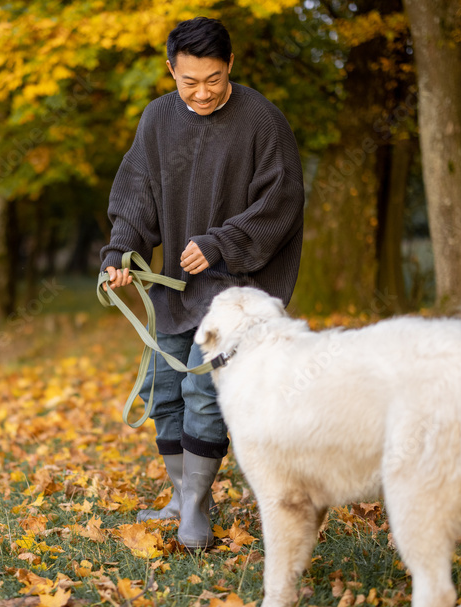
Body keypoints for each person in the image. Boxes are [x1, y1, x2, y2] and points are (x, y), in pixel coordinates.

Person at [99, 16, 305, 549]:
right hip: (174, 283)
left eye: (212, 78)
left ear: (230, 65)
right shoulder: (157, 119)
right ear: (171, 70)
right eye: (188, 81)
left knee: (201, 389)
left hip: (237, 286)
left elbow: (280, 204)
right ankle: (180, 496)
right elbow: (136, 196)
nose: (202, 91)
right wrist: (122, 253)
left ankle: (195, 508)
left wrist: (219, 242)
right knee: (162, 387)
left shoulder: (263, 120)